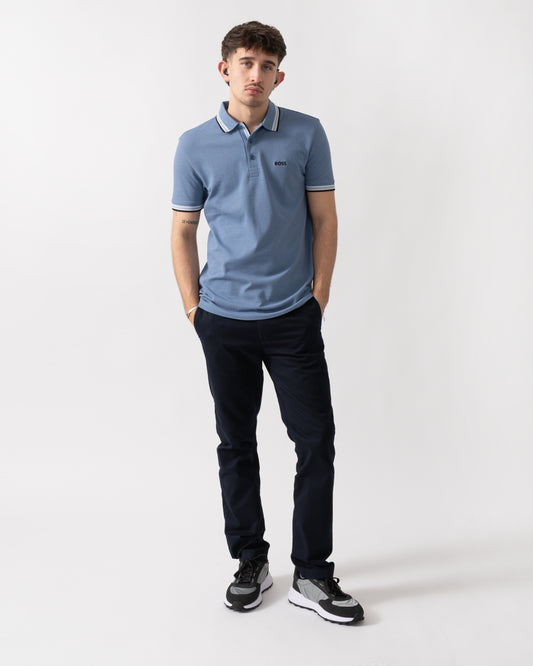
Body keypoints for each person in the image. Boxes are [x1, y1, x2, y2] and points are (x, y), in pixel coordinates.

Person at [170, 20, 364, 625]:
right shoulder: (194, 144)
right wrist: (194, 309)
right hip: (222, 319)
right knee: (236, 444)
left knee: (316, 440)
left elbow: (325, 220)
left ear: (280, 75)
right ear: (224, 69)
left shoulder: (306, 133)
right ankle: (250, 561)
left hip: (292, 318)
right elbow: (183, 228)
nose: (256, 75)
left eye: (267, 66)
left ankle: (311, 571)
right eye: (246, 63)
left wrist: (319, 296)